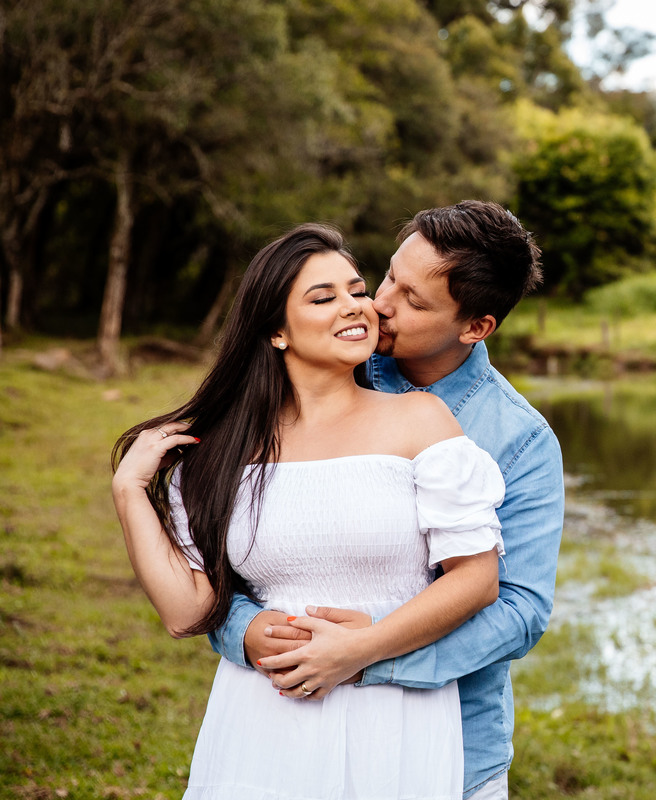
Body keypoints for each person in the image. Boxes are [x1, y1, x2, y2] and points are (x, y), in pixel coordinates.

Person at [112, 222, 507, 799]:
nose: (356, 307)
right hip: (262, 717)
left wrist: (361, 648)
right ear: (275, 329)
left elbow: (477, 579)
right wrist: (129, 490)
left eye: (356, 289)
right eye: (324, 299)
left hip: (392, 719)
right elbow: (184, 611)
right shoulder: (222, 453)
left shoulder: (420, 421)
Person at [207, 201, 565, 800]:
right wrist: (245, 630)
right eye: (390, 275)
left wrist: (367, 652)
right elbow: (233, 543)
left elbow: (520, 609)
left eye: (415, 301)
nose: (379, 304)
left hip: (449, 741)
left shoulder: (519, 438)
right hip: (285, 727)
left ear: (475, 327)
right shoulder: (324, 364)